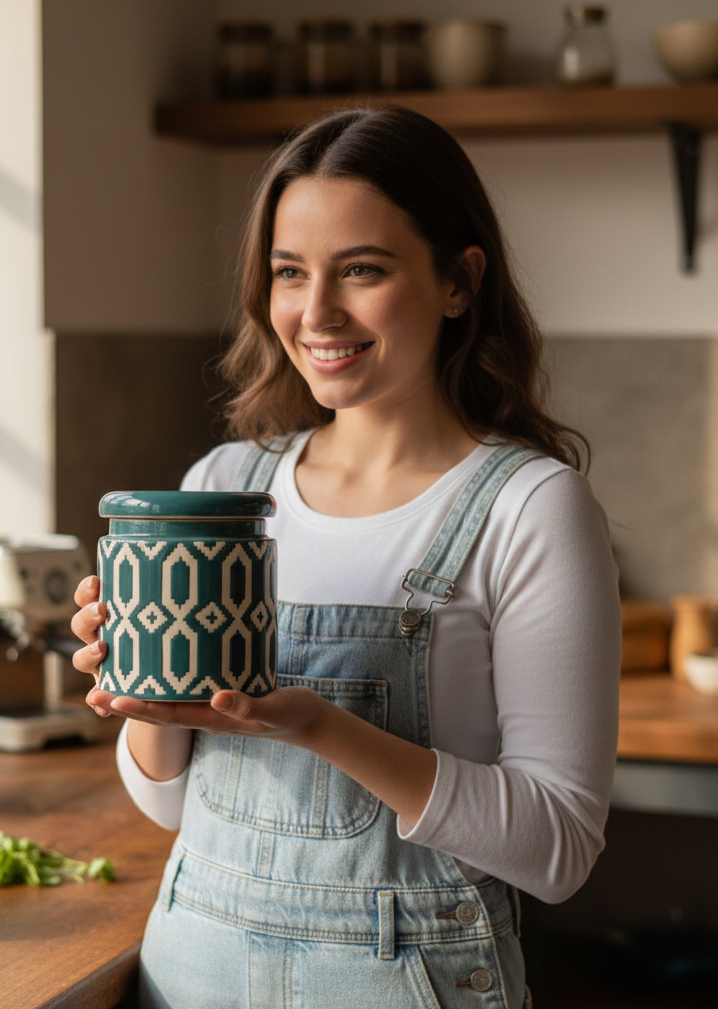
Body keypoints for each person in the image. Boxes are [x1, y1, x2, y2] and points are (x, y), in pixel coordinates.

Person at [71, 106, 621, 1008]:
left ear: (457, 280)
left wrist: (317, 725)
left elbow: (558, 849)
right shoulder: (225, 483)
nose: (316, 312)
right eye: (290, 273)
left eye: (361, 270)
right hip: (192, 972)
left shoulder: (527, 507)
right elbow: (174, 807)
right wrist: (149, 693)